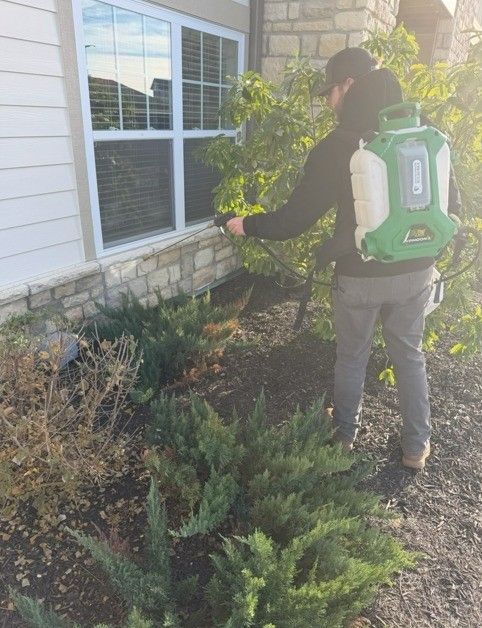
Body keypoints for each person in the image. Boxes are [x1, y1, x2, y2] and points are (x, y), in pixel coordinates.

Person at [226, 47, 461, 470]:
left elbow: (292, 221)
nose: (329, 101)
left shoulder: (337, 146)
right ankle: (415, 447)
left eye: (330, 91)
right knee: (409, 355)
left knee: (352, 356)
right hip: (417, 270)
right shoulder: (426, 134)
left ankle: (345, 435)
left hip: (359, 276)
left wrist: (246, 224)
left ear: (349, 85)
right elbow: (452, 206)